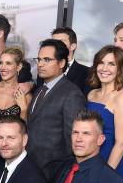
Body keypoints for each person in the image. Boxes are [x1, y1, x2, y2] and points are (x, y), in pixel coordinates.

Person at [26, 39, 85, 171]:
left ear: (62, 63)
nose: (40, 64)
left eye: (46, 60)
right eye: (39, 59)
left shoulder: (72, 94)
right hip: (31, 165)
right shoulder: (41, 89)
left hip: (53, 171)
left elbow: (73, 140)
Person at [86, 45, 123, 180]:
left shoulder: (122, 98)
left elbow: (122, 143)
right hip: (91, 160)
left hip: (112, 164)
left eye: (111, 64)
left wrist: (105, 174)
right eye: (101, 63)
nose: (104, 68)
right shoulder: (91, 94)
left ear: (120, 69)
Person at [0, 47, 32, 141]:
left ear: (18, 67)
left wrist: (23, 110)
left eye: (8, 63)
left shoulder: (25, 94)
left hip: (12, 149)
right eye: (1, 63)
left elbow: (25, 130)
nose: (2, 67)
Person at [51, 27, 90, 95]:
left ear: (73, 46)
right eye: (52, 43)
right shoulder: (44, 68)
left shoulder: (87, 73)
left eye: (60, 42)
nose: (55, 46)